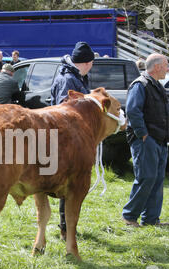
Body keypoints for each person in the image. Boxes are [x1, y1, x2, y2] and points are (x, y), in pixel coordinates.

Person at [50, 41, 95, 239]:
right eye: (92, 62)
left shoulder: (76, 76)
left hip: (73, 136)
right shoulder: (69, 79)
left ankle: (68, 227)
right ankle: (65, 229)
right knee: (68, 183)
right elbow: (64, 109)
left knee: (72, 184)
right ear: (87, 63)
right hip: (66, 138)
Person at [121, 53, 169, 227]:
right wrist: (143, 135)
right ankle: (129, 216)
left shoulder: (156, 85)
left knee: (157, 179)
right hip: (145, 140)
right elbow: (133, 111)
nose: (168, 69)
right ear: (156, 67)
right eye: (165, 65)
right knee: (146, 178)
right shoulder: (140, 85)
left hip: (158, 139)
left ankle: (151, 220)